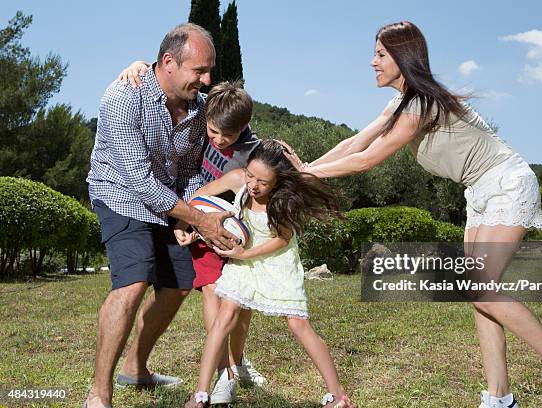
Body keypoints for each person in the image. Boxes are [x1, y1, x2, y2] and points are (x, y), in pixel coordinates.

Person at [284, 20, 542, 408]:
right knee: (478, 292)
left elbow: (367, 160)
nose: (372, 62)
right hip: (479, 191)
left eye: (380, 54)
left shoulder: (421, 103)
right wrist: (305, 169)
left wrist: (307, 172)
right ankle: (499, 397)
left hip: (505, 182)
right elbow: (355, 142)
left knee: (483, 287)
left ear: (402, 56)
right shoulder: (400, 103)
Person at [85, 23, 240, 408]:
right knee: (134, 281)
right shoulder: (124, 96)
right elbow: (137, 177)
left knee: (178, 285)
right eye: (199, 71)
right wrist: (200, 219)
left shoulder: (200, 108)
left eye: (209, 71)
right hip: (119, 194)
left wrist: (186, 214)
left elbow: (189, 170)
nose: (206, 80)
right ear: (168, 62)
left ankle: (135, 369)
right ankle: (98, 395)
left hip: (168, 201)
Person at [118, 64, 268, 403]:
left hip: (231, 231)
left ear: (243, 128)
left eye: (225, 137)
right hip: (197, 225)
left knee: (241, 304)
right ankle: (223, 373)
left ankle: (238, 362)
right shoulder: (200, 122)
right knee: (214, 293)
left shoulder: (252, 151)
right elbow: (173, 75)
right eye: (213, 132)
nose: (216, 140)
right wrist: (138, 64)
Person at [178, 139, 354, 408]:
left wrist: (245, 254)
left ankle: (338, 395)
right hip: (244, 262)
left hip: (277, 262)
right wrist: (196, 223)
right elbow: (203, 200)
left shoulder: (282, 200)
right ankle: (201, 393)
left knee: (298, 324)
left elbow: (282, 240)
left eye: (262, 181)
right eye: (250, 175)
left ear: (276, 182)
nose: (253, 185)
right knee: (225, 315)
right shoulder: (238, 180)